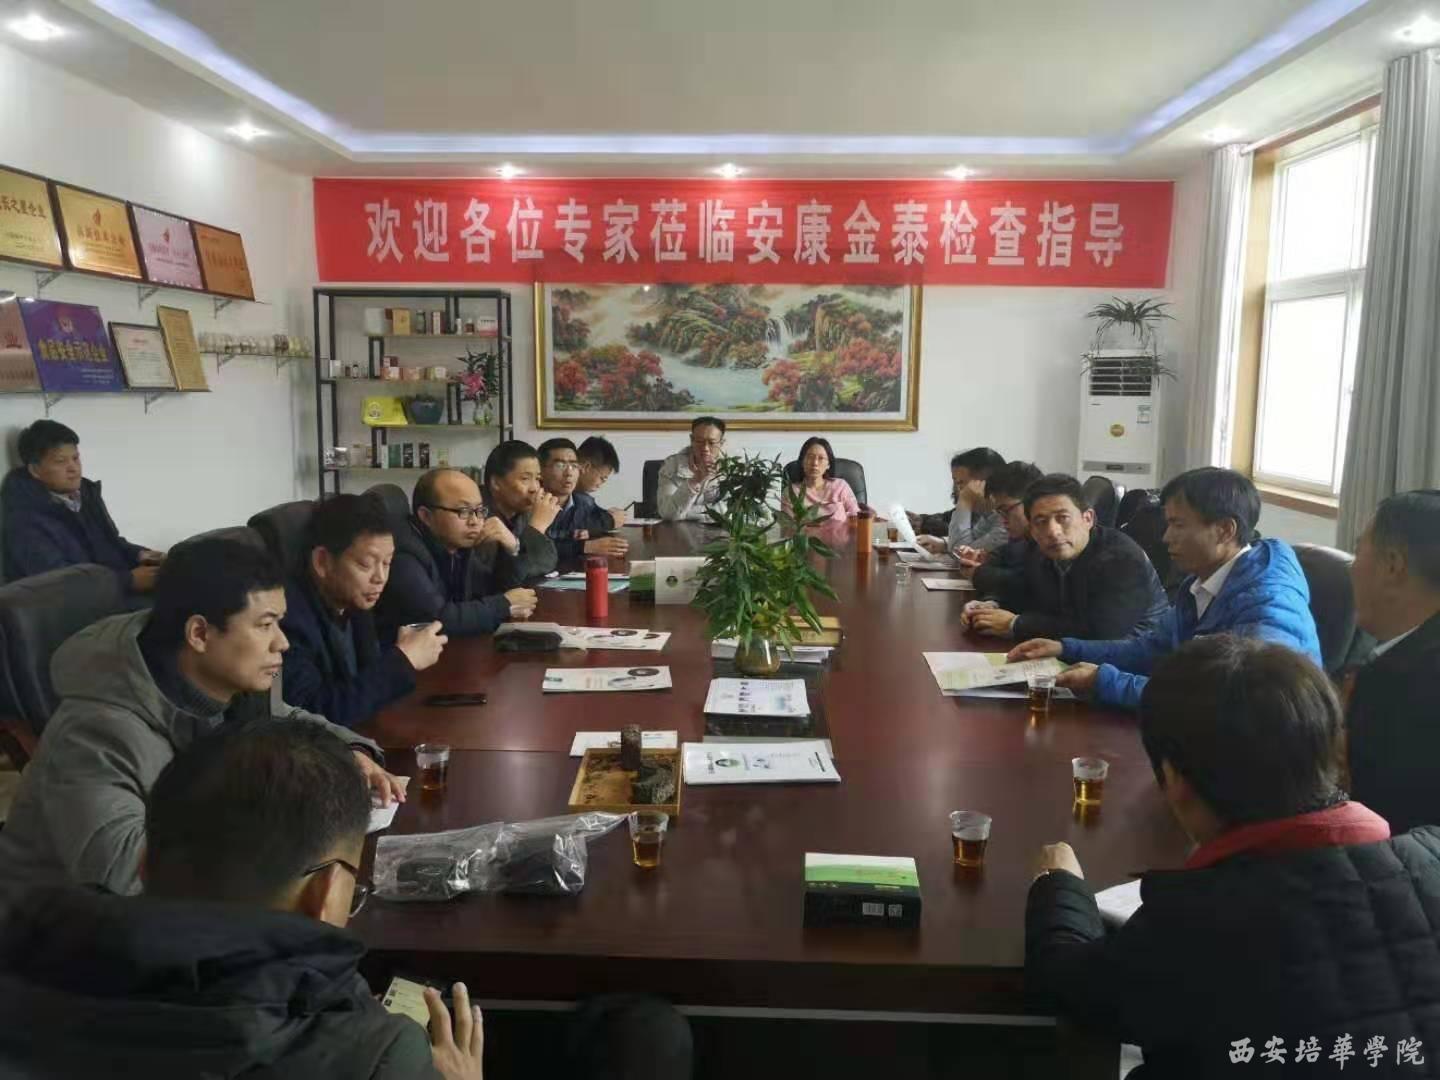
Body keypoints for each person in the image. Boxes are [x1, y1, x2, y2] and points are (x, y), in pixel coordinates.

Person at [0, 721, 694, 1079]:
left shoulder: (29, 950)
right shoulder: (377, 1060)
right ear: (327, 890)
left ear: (146, 861)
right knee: (647, 1036)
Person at [1025, 636, 1438, 1079]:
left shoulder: (1195, 922)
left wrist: (1058, 883)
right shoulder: (1432, 854)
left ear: (1175, 780)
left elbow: (1070, 986)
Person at [0, 537, 401, 897]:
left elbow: (282, 717)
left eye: (279, 623)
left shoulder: (233, 681)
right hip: (56, 929)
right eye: (265, 625)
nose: (282, 642)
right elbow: (126, 874)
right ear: (199, 634)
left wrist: (344, 752)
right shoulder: (96, 730)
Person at [1008, 468, 1321, 709]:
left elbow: (1234, 701)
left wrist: (1106, 682)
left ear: (1225, 530)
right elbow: (1152, 649)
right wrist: (1066, 648)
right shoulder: (1199, 582)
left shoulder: (1268, 603)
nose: (1166, 537)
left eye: (1178, 525)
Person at [281, 494, 448, 730]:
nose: (380, 578)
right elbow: (313, 714)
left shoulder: (355, 599)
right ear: (322, 562)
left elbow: (365, 676)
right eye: (365, 564)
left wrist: (402, 651)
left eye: (387, 563)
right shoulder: (288, 619)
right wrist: (402, 661)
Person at [961, 473, 1167, 642]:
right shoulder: (1041, 551)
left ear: (1088, 519)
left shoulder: (1121, 558)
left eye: (1063, 518)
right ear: (1031, 528)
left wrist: (1015, 624)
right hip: (1073, 652)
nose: (1053, 531)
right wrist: (990, 605)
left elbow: (1101, 632)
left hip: (1135, 658)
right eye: (1041, 521)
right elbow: (1026, 589)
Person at [1345, 489, 1440, 833]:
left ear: (1392, 566)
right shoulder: (1394, 655)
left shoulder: (1407, 685)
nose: (1352, 567)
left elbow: (1382, 828)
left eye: (1358, 551)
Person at [1, 419, 164, 591]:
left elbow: (111, 542)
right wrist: (128, 581)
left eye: (75, 458)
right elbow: (57, 583)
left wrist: (141, 554)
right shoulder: (23, 519)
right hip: (76, 605)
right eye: (61, 461)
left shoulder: (86, 493)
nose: (73, 468)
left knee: (180, 567)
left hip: (112, 591)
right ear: (35, 470)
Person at [375, 468, 538, 639]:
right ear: (426, 516)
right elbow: (436, 620)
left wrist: (512, 548)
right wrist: (503, 605)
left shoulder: (455, 545)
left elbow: (491, 590)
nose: (475, 521)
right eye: (464, 511)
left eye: (479, 511)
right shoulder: (403, 553)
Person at [537, 437, 629, 563]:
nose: (569, 473)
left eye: (574, 465)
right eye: (560, 465)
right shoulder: (530, 503)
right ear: (540, 471)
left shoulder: (581, 500)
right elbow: (533, 549)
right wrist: (584, 546)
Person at [967, 460, 1043, 602]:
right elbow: (1005, 555)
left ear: (1033, 502)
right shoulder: (1023, 541)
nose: (1003, 520)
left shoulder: (1050, 542)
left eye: (1006, 510)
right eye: (999, 513)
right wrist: (991, 602)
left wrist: (978, 573)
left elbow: (1028, 586)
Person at [484, 440, 560, 579]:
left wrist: (535, 528)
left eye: (537, 479)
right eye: (525, 479)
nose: (535, 488)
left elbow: (547, 563)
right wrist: (536, 528)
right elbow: (503, 578)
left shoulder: (526, 512)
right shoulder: (477, 515)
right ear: (496, 483)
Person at [915, 447, 1008, 556]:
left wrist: (965, 502)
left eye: (960, 483)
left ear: (984, 483)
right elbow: (972, 542)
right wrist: (944, 544)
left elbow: (960, 554)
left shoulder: (1006, 521)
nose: (958, 490)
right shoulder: (990, 514)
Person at [657, 416, 726, 521]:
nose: (705, 448)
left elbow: (730, 513)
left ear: (721, 443)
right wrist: (695, 480)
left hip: (719, 530)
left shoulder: (732, 469)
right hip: (677, 530)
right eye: (699, 441)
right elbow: (667, 513)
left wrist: (686, 513)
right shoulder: (672, 466)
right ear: (691, 440)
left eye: (711, 443)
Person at [789, 436, 860, 523]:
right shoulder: (791, 492)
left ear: (828, 464)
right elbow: (788, 527)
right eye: (810, 457)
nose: (815, 463)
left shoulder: (840, 486)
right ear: (802, 462)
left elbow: (856, 517)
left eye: (821, 458)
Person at [577, 435, 628, 528]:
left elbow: (589, 516)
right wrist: (609, 521)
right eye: (602, 478)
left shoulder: (581, 497)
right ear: (586, 467)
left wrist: (607, 515)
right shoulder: (561, 493)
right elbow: (574, 526)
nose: (602, 483)